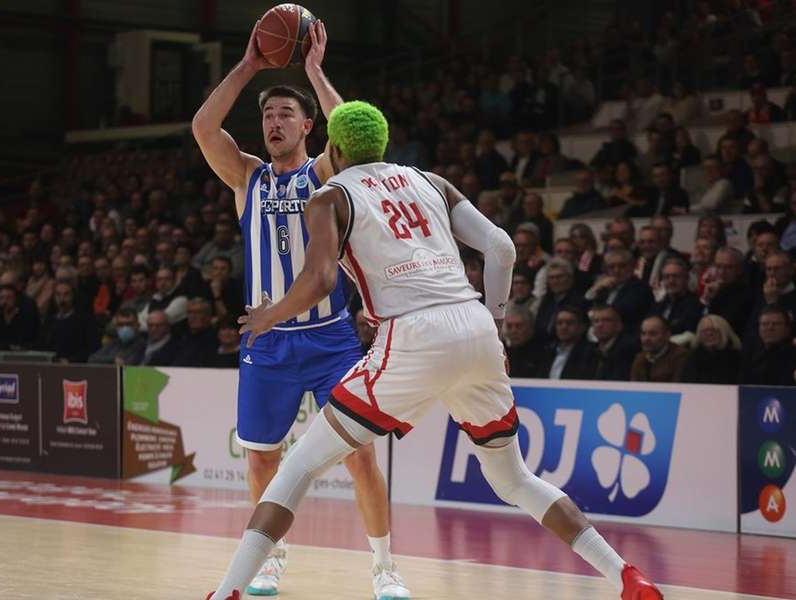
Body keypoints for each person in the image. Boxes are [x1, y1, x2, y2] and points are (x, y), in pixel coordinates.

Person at [208, 100, 661, 600]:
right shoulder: (430, 180)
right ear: (382, 144)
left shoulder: (330, 196)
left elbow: (319, 279)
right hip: (476, 327)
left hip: (412, 335)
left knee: (297, 467)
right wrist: (496, 323)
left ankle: (228, 591)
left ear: (333, 149)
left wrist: (270, 314)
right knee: (515, 481)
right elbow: (503, 248)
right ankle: (625, 576)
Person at [191, 22, 408, 598]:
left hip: (330, 338)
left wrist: (312, 71)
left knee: (360, 454)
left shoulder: (323, 175)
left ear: (308, 126)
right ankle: (271, 556)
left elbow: (361, 147)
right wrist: (248, 67)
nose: (274, 123)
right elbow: (202, 127)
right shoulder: (247, 177)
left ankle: (385, 568)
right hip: (267, 343)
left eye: (286, 114)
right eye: (268, 116)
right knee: (262, 459)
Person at [740, 305, 796, 385]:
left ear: (787, 328)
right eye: (765, 324)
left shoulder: (793, 354)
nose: (770, 328)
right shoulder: (750, 355)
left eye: (777, 324)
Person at [538, 306, 597, 380]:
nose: (563, 327)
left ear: (582, 327)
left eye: (569, 323)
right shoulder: (548, 351)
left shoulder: (592, 353)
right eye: (559, 323)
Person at [680, 315, 742, 385]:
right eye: (705, 331)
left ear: (724, 332)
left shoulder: (736, 358)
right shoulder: (693, 358)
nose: (709, 334)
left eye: (714, 330)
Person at [649, 258, 703, 335]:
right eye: (667, 277)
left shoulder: (694, 306)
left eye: (676, 276)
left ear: (686, 279)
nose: (671, 281)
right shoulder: (658, 305)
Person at [630, 316, 689, 382]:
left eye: (652, 334)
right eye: (643, 333)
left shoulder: (680, 356)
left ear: (667, 335)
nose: (646, 339)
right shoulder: (640, 358)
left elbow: (678, 387)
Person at [591, 304, 638, 381]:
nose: (600, 325)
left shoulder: (628, 350)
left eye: (606, 320)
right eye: (596, 321)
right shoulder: (590, 350)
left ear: (619, 325)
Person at [174, 298, 219, 367]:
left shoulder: (216, 340)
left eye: (198, 312)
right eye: (190, 312)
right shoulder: (181, 338)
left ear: (208, 315)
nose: (193, 316)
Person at [503, 307, 544, 378]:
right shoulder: (503, 354)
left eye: (518, 326)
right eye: (509, 326)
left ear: (530, 328)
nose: (513, 331)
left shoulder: (543, 354)